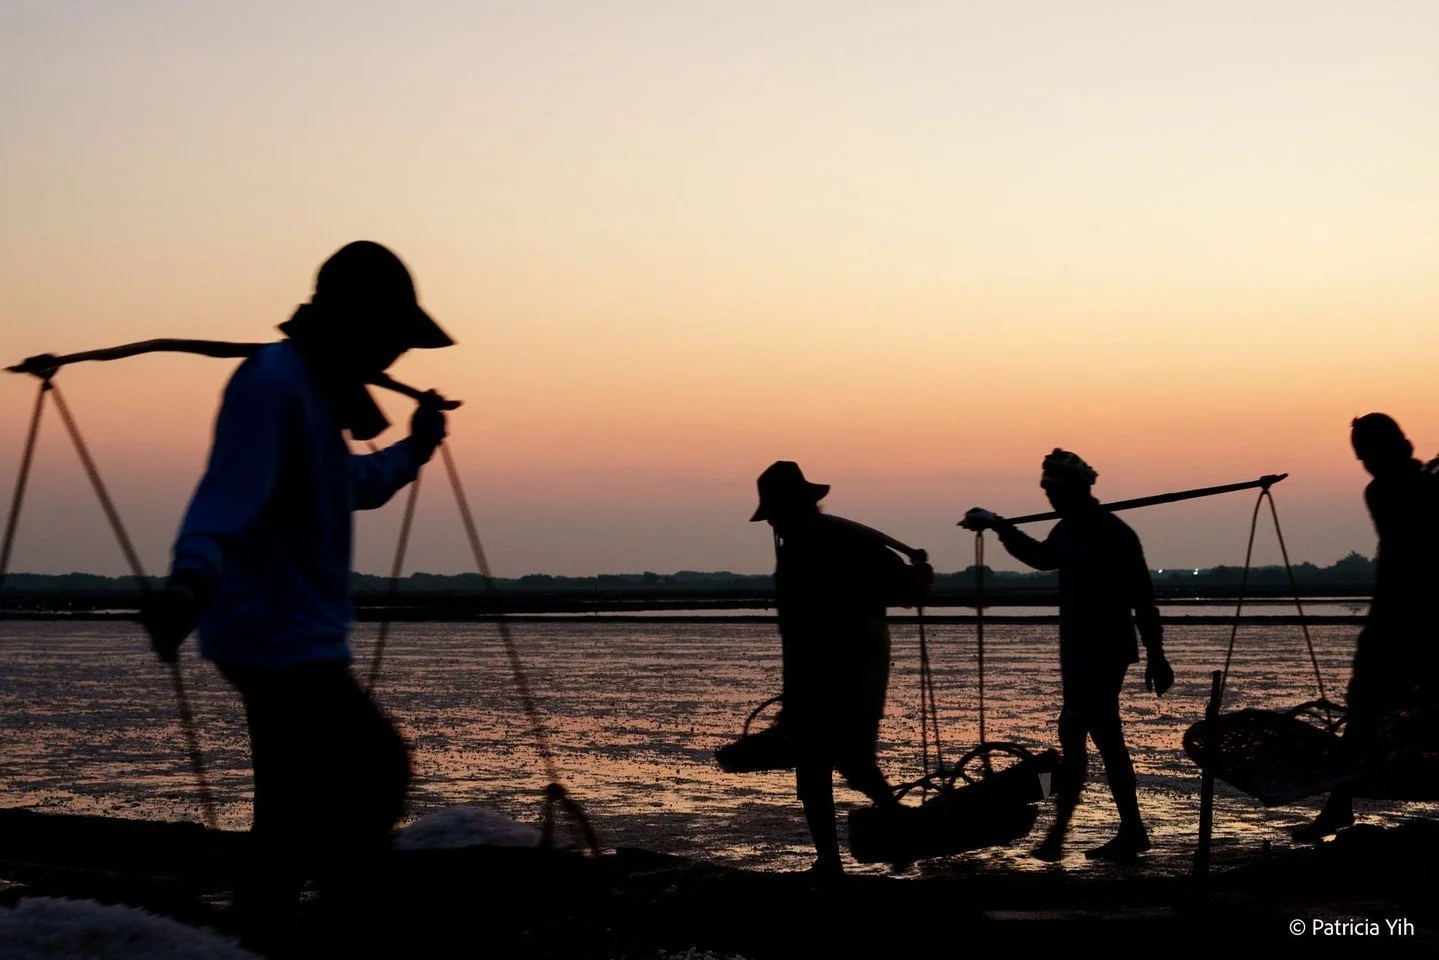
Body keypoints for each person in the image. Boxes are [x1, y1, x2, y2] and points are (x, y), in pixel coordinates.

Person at [140, 241, 454, 955]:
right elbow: (224, 497)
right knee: (375, 771)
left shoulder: (314, 390)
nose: (391, 361)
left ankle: (269, 931)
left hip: (290, 636)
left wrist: (416, 448)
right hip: (271, 637)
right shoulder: (272, 382)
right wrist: (187, 584)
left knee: (289, 809)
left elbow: (345, 485)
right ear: (353, 323)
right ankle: (340, 927)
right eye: (387, 341)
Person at [963, 449, 1172, 863]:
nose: (1049, 499)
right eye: (1046, 491)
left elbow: (1143, 599)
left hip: (1104, 651)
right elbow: (1041, 559)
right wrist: (1001, 527)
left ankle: (1065, 830)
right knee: (1094, 739)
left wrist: (1157, 655)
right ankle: (1110, 828)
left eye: (1054, 491)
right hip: (1077, 652)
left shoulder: (1114, 533)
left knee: (1082, 737)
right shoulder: (1068, 530)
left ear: (1073, 490)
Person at [749, 460, 932, 876]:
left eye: (774, 512)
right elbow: (906, 588)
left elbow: (802, 627)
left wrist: (915, 578)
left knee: (838, 761)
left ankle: (866, 851)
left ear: (791, 507)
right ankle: (856, 853)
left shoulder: (814, 547)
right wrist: (917, 576)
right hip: (850, 663)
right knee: (836, 762)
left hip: (843, 666)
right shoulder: (840, 542)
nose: (772, 523)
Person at [1292, 414, 1439, 841]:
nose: (1366, 465)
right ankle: (1339, 807)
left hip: (1421, 623)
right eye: (1362, 457)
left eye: (1369, 454)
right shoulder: (1386, 492)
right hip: (1392, 623)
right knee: (1362, 716)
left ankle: (1339, 808)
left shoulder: (1416, 486)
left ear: (1391, 447)